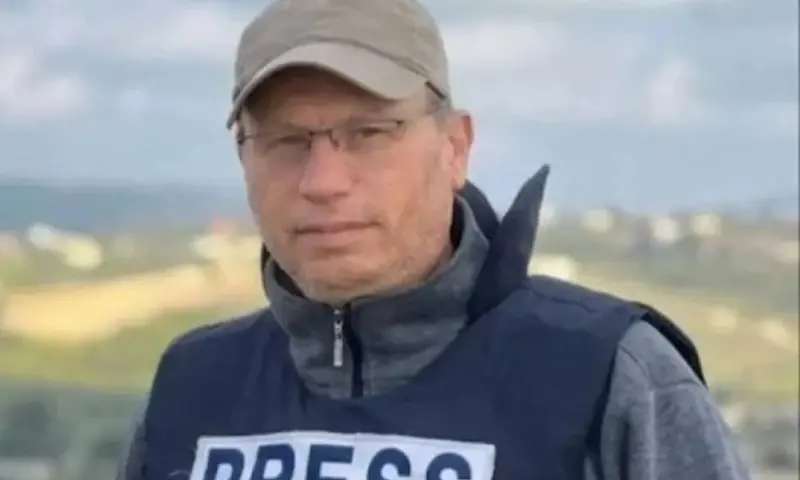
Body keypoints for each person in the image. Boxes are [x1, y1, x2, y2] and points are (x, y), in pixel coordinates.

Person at [118, 0, 751, 478]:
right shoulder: (193, 388)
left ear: (454, 148)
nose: (323, 181)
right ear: (243, 159)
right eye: (286, 140)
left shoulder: (605, 377)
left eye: (369, 133)